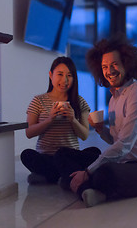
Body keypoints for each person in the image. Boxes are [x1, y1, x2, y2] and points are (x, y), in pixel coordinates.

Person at [69, 34, 137, 207]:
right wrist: (100, 129)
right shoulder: (114, 97)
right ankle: (88, 188)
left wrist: (89, 171)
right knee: (66, 155)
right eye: (105, 66)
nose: (109, 71)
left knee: (104, 172)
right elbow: (116, 140)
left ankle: (82, 185)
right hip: (123, 162)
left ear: (126, 64)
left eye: (114, 64)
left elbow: (124, 145)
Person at [20, 56, 101, 187]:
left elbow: (85, 135)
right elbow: (29, 132)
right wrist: (50, 119)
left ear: (74, 79)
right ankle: (65, 175)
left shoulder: (79, 102)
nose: (65, 80)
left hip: (68, 156)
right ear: (51, 75)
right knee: (26, 155)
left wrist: (73, 119)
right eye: (60, 74)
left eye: (69, 75)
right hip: (46, 157)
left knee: (95, 151)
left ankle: (49, 176)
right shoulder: (38, 100)